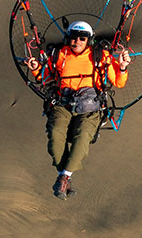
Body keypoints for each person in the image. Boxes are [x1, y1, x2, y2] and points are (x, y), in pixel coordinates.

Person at [35, 20, 129, 199]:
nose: (77, 41)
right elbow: (45, 77)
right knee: (55, 134)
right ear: (67, 38)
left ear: (89, 40)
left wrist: (122, 67)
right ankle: (65, 176)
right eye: (73, 37)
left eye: (82, 38)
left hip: (90, 107)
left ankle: (64, 177)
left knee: (83, 137)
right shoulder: (58, 54)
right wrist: (35, 69)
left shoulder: (101, 56)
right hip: (62, 104)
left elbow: (118, 82)